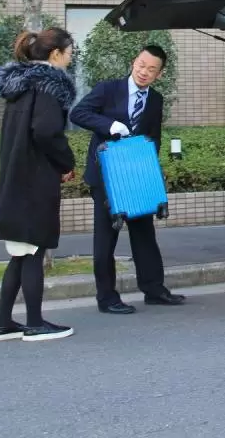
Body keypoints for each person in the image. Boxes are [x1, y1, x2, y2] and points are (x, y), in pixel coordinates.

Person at [69, 45, 186, 314]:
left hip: (136, 179)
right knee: (105, 240)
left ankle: (154, 289)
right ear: (134, 62)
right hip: (107, 178)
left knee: (144, 235)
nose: (144, 72)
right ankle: (107, 297)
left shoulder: (155, 99)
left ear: (159, 74)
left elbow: (154, 139)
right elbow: (78, 113)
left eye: (151, 69)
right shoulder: (109, 89)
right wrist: (109, 126)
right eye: (141, 65)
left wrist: (149, 171)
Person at [0, 27, 78, 342]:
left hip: (16, 179)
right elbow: (46, 132)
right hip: (34, 182)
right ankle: (35, 323)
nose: (71, 57)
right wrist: (67, 162)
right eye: (70, 51)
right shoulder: (49, 87)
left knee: (19, 253)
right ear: (56, 54)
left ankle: (3, 323)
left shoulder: (19, 87)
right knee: (33, 252)